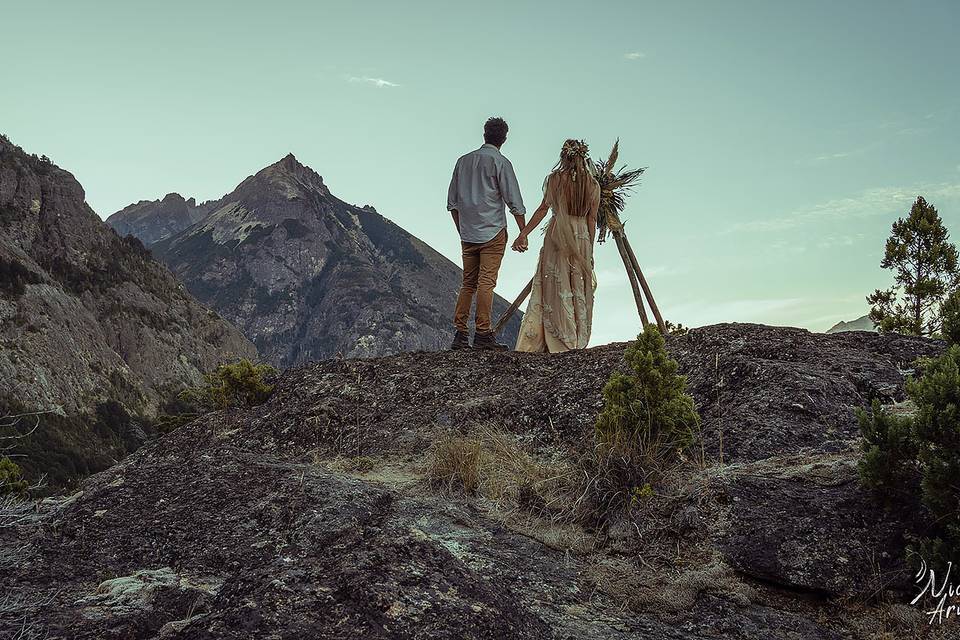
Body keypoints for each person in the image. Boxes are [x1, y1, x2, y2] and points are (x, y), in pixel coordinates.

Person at [446, 117, 527, 350]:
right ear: (504, 138)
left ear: (484, 135)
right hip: (492, 232)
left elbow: (452, 203)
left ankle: (460, 334)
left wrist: (462, 229)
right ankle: (483, 334)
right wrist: (523, 232)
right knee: (486, 283)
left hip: (467, 232)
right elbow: (515, 202)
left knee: (467, 283)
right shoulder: (500, 162)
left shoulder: (463, 161)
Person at [512, 139, 600, 353]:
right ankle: (575, 336)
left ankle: (557, 336)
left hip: (558, 235)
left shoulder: (555, 180)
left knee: (555, 284)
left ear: (563, 157)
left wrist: (524, 233)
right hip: (581, 236)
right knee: (576, 285)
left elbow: (543, 209)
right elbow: (592, 219)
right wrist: (589, 249)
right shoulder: (593, 185)